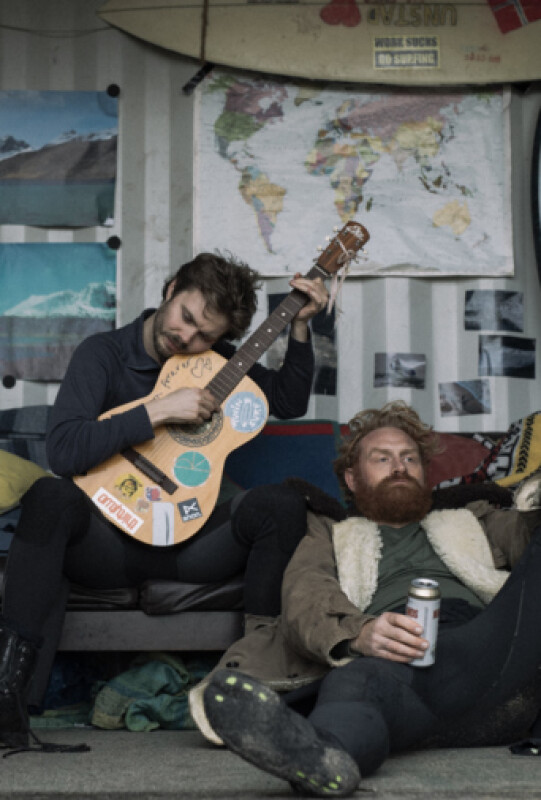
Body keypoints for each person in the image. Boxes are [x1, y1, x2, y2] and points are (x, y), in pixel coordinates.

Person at [0, 251, 329, 750]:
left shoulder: (214, 364)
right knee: (48, 495)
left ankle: (258, 686)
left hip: (189, 545)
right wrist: (157, 410)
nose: (186, 338)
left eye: (204, 336)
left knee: (282, 504)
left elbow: (285, 401)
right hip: (106, 545)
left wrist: (300, 328)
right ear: (171, 288)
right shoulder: (103, 353)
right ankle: (7, 697)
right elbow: (63, 451)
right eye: (185, 317)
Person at [190, 400, 541, 798]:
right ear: (353, 478)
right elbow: (306, 595)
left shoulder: (471, 517)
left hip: (494, 648)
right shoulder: (329, 532)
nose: (399, 467)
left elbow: (525, 536)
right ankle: (322, 760)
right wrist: (360, 634)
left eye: (410, 458)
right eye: (382, 458)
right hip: (402, 666)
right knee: (355, 681)